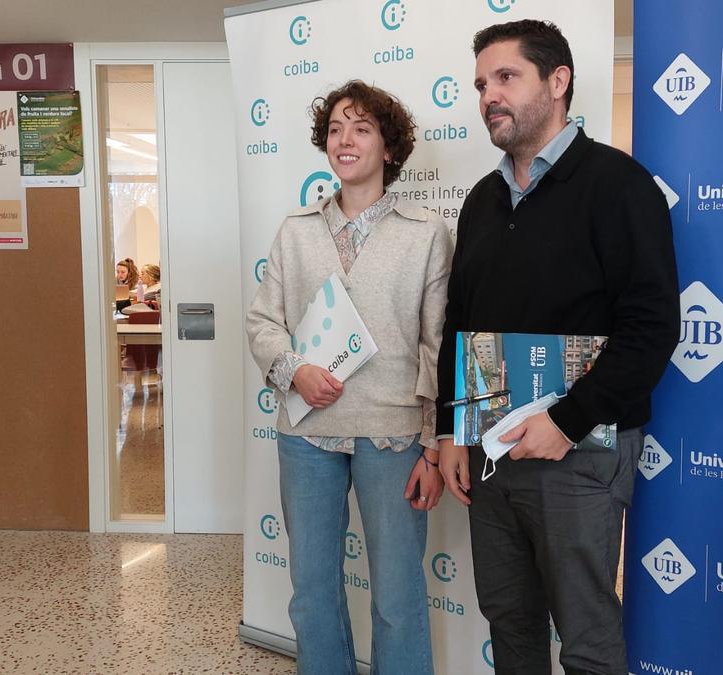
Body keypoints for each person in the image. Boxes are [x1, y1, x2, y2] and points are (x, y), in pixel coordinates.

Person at [435, 20, 680, 675]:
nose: (489, 94)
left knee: (587, 635)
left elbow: (653, 326)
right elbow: (460, 324)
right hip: (491, 449)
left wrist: (568, 420)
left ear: (558, 81)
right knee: (510, 622)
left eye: (506, 77)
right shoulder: (481, 202)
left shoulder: (619, 185)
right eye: (482, 83)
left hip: (580, 450)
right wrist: (450, 430)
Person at [246, 80, 452, 675]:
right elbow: (264, 320)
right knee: (311, 595)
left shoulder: (427, 232)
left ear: (389, 148)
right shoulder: (296, 230)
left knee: (397, 597)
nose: (345, 139)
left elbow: (436, 344)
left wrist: (433, 446)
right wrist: (293, 371)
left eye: (362, 128)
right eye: (336, 128)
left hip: (393, 436)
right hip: (306, 432)